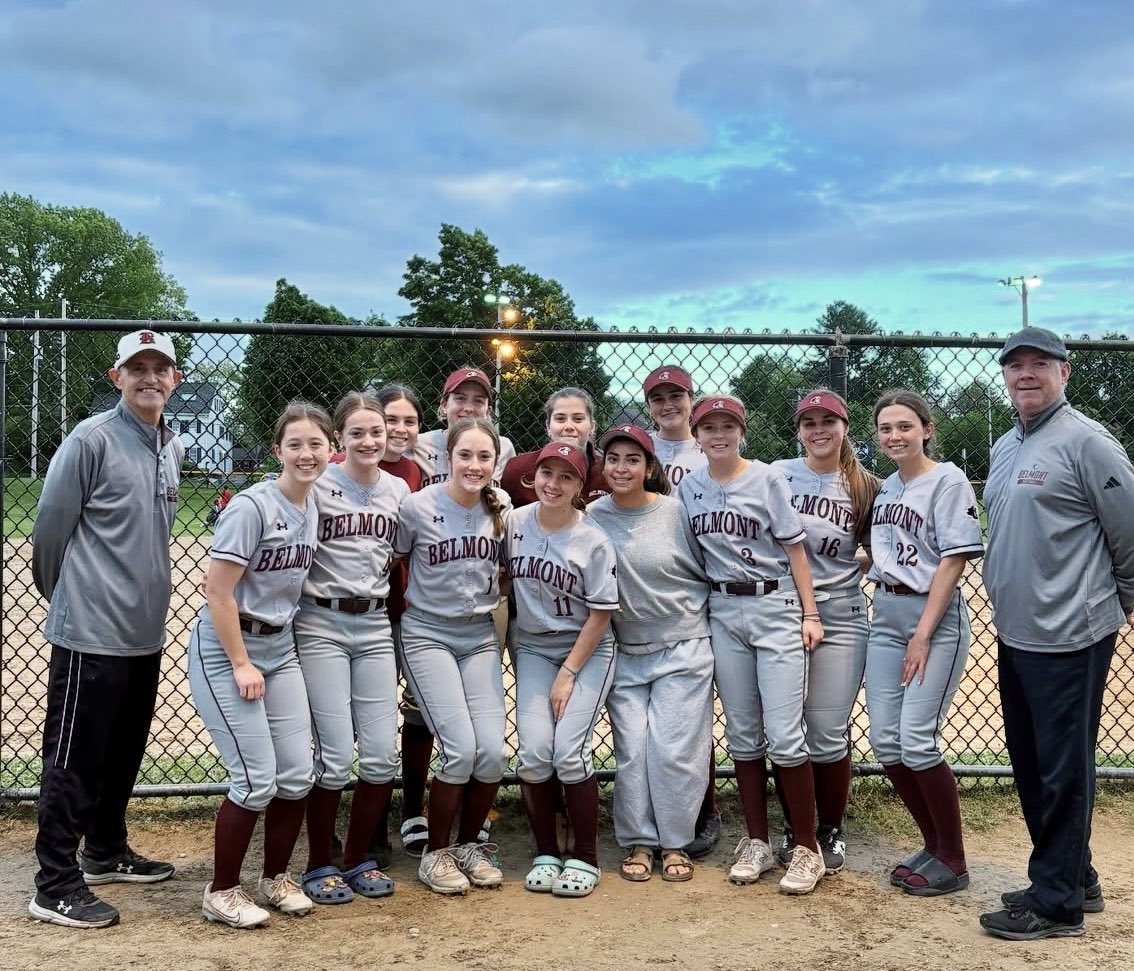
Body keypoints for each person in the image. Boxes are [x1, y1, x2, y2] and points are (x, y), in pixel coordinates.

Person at [979, 328, 1134, 940]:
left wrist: (1117, 600)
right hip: (1019, 632)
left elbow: (1128, 532)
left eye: (1039, 364)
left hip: (1072, 632)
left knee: (1062, 768)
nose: (1026, 374)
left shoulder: (1088, 442)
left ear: (1064, 373)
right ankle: (1075, 876)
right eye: (1015, 366)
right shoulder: (1005, 445)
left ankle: (1057, 904)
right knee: (1032, 760)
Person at [28, 329, 185, 929]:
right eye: (137, 368)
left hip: (142, 631)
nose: (150, 377)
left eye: (160, 368)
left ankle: (104, 850)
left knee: (122, 753)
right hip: (91, 630)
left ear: (174, 379)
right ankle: (55, 883)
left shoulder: (168, 444)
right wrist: (69, 597)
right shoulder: (90, 439)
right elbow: (50, 528)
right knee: (74, 759)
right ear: (117, 377)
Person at [187, 402, 333, 928]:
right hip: (229, 650)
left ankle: (275, 877)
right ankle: (222, 890)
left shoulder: (314, 503)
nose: (306, 453)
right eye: (294, 444)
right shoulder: (252, 507)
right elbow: (217, 592)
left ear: (330, 448)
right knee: (254, 779)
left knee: (297, 773)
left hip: (281, 646)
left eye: (316, 443)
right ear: (278, 451)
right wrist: (242, 664)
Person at [678, 394, 827, 895]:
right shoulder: (690, 489)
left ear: (742, 431)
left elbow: (795, 548)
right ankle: (757, 841)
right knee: (743, 733)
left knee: (785, 734)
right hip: (722, 609)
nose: (718, 434)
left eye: (727, 425)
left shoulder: (766, 478)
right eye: (708, 427)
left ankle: (807, 848)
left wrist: (810, 612)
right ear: (696, 435)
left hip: (775, 604)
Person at [865, 390, 983, 898]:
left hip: (930, 619)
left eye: (905, 426)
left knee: (916, 740)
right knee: (886, 742)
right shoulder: (888, 486)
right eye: (886, 428)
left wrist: (922, 634)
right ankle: (933, 844)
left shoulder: (949, 479)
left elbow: (952, 562)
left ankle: (952, 859)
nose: (895, 436)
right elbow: (888, 552)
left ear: (927, 430)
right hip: (885, 611)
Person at [295, 393, 408, 905]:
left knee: (382, 755)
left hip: (375, 625)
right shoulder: (318, 486)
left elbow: (399, 557)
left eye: (377, 432)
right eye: (358, 432)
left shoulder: (399, 489)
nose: (369, 441)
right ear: (340, 438)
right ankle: (320, 860)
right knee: (336, 757)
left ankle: (358, 856)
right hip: (322, 622)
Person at [588, 424, 713, 883]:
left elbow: (707, 567)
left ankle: (675, 841)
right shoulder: (593, 516)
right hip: (626, 648)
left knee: (673, 749)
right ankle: (639, 840)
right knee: (634, 748)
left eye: (633, 459)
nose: (622, 468)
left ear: (650, 467)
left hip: (683, 644)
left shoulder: (675, 512)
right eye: (614, 459)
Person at [394, 418, 511, 895]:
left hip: (479, 635)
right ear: (447, 458)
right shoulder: (417, 507)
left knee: (493, 754)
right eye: (466, 455)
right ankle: (435, 853)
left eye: (485, 457)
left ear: (495, 462)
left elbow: (505, 574)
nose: (475, 465)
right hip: (426, 633)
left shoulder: (501, 505)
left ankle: (467, 846)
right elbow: (391, 562)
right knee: (460, 749)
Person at [771, 390, 879, 874]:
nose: (818, 430)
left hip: (842, 614)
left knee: (828, 732)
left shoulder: (864, 486)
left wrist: (857, 565)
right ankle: (798, 830)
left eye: (828, 421)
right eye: (809, 422)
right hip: (781, 612)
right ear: (798, 429)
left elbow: (883, 548)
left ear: (844, 427)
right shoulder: (778, 474)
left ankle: (830, 830)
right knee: (784, 729)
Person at [507, 442, 618, 898]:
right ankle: (547, 851)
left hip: (586, 650)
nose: (554, 483)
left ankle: (586, 856)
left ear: (580, 485)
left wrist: (568, 673)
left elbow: (600, 614)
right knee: (534, 752)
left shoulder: (592, 538)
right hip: (532, 645)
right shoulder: (513, 523)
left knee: (568, 751)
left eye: (566, 476)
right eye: (546, 473)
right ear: (532, 477)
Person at [642, 364, 720, 858]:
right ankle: (655, 813)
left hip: (704, 582)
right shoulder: (641, 449)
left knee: (695, 718)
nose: (669, 404)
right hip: (655, 588)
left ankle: (704, 810)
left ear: (691, 399)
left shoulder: (707, 447)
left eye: (677, 395)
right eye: (659, 397)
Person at [372, 385, 432, 860]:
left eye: (409, 421)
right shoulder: (340, 468)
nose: (399, 429)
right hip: (366, 614)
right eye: (390, 419)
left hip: (407, 610)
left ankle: (413, 809)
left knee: (417, 712)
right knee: (366, 718)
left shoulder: (415, 471)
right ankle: (368, 818)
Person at [500, 387, 608, 506]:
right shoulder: (517, 469)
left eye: (578, 419)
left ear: (592, 426)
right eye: (560, 419)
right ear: (548, 426)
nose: (569, 426)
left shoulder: (606, 473)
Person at [411, 367, 515, 487]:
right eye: (460, 399)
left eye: (478, 401)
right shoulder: (420, 445)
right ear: (444, 405)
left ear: (488, 410)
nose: (469, 408)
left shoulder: (503, 447)